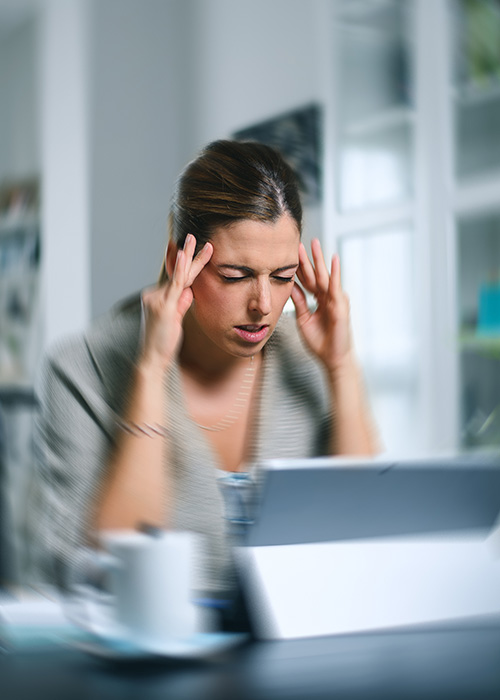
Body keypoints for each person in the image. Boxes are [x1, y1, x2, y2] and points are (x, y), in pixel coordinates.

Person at [29, 140, 378, 606]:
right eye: (235, 275)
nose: (264, 305)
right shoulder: (82, 368)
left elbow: (368, 538)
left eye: (282, 276)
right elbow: (105, 579)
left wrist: (340, 367)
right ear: (181, 262)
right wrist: (151, 372)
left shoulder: (309, 354)